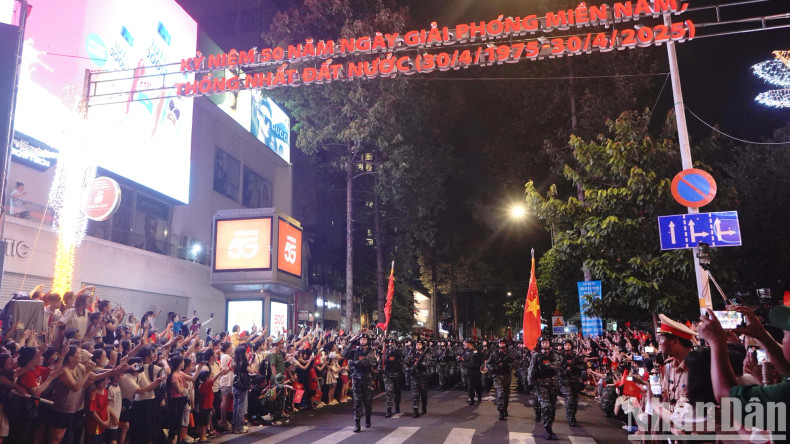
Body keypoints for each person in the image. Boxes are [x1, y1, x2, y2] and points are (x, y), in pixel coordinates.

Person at [697, 305, 790, 436]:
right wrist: (762, 335)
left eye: (785, 334)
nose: (783, 339)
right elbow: (787, 371)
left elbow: (725, 394)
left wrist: (717, 342)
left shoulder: (784, 393)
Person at [657, 314, 695, 415]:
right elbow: (666, 400)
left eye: (662, 338)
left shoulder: (696, 366)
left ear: (675, 341)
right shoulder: (669, 367)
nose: (659, 343)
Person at [529, 335, 562, 440]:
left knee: (552, 408)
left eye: (546, 342)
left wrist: (547, 365)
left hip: (553, 383)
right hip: (541, 383)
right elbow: (531, 368)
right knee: (546, 406)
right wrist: (530, 381)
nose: (545, 344)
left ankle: (550, 425)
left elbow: (558, 364)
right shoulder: (536, 355)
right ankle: (547, 428)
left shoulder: (555, 355)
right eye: (543, 343)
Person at [342, 333, 376, 432]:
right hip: (356, 378)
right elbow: (344, 354)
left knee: (367, 401)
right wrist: (351, 342)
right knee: (357, 401)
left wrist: (354, 363)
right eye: (361, 339)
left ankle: (368, 418)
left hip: (366, 378)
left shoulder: (371, 352)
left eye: (365, 339)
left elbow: (368, 362)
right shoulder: (355, 351)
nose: (362, 341)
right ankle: (357, 423)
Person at [558, 339, 586, 427]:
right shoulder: (559, 356)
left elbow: (584, 366)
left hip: (574, 381)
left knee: (574, 401)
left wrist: (574, 367)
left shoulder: (575, 356)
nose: (567, 346)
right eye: (565, 345)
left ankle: (572, 414)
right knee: (569, 399)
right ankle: (571, 418)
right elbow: (556, 366)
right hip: (564, 381)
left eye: (569, 345)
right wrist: (563, 369)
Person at [404, 340, 430, 419]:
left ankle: (424, 406)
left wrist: (421, 363)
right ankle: (415, 411)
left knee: (424, 394)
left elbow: (430, 363)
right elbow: (405, 362)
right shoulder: (412, 354)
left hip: (423, 376)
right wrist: (408, 369)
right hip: (414, 376)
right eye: (417, 345)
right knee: (415, 394)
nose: (418, 346)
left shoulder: (426, 354)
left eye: (419, 344)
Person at [381, 338, 402, 418]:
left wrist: (389, 347)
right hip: (388, 374)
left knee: (397, 392)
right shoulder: (385, 352)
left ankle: (397, 405)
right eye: (390, 343)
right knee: (389, 391)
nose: (391, 344)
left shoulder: (398, 350)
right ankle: (388, 409)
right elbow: (381, 361)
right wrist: (381, 370)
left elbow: (399, 353)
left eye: (392, 343)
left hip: (397, 374)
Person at [458, 338, 483, 405]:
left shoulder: (477, 349)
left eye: (465, 343)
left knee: (478, 384)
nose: (464, 345)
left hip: (477, 370)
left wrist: (485, 366)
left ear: (469, 344)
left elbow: (484, 357)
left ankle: (479, 397)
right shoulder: (465, 351)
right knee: (470, 385)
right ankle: (472, 399)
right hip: (469, 370)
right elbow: (465, 359)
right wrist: (461, 358)